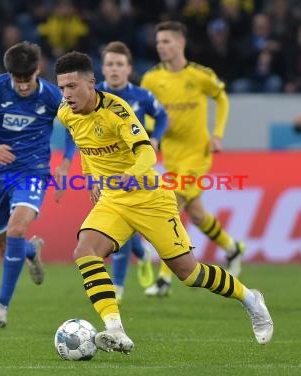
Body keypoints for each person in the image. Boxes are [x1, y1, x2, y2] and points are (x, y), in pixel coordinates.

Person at [55, 51, 273, 354]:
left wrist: (130, 175)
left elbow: (147, 154)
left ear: (91, 83)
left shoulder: (118, 111)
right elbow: (86, 147)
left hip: (150, 199)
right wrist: (90, 177)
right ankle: (116, 330)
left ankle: (250, 299)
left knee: (190, 274)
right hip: (114, 201)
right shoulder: (66, 113)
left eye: (72, 87)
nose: (66, 95)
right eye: (62, 88)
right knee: (85, 251)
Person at [0, 41, 75, 328]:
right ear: (9, 73)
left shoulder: (51, 96)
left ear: (37, 70)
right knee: (5, 246)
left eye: (27, 79)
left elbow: (75, 128)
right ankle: (30, 251)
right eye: (17, 80)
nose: (23, 86)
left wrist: (64, 164)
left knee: (16, 228)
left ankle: (1, 306)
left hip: (32, 172)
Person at [140, 21, 245, 297]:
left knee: (172, 205)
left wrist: (218, 135)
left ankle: (164, 278)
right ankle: (232, 248)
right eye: (158, 42)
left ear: (180, 43)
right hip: (171, 156)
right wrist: (157, 128)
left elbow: (222, 99)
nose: (161, 46)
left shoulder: (200, 75)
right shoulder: (151, 79)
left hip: (198, 154)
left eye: (166, 41)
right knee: (196, 215)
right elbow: (146, 112)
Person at [95, 41, 169, 302]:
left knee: (121, 222)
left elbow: (162, 117)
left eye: (119, 64)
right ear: (102, 69)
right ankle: (143, 254)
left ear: (129, 69)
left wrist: (156, 138)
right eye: (110, 64)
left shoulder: (142, 96)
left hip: (136, 170)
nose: (114, 69)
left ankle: (117, 287)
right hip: (104, 169)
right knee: (123, 226)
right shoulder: (93, 98)